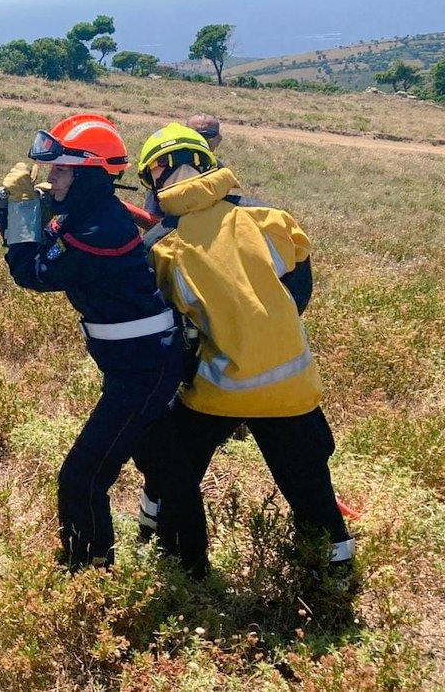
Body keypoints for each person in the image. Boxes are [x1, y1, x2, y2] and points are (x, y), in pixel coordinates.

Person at [135, 122, 356, 585]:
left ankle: (161, 548)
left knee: (171, 471)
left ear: (156, 174)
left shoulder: (160, 246)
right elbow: (298, 296)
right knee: (310, 486)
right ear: (206, 161)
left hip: (215, 393)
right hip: (291, 390)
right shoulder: (271, 219)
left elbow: (167, 325)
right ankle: (334, 577)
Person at [0, 113, 198, 573]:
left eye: (61, 170)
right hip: (140, 365)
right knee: (166, 468)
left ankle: (88, 574)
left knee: (82, 478)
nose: (51, 178)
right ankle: (190, 561)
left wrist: (23, 209)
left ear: (89, 175)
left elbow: (34, 271)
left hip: (142, 371)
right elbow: (41, 245)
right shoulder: (87, 214)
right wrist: (12, 211)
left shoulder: (99, 230)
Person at [142, 114, 222, 221]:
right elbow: (153, 216)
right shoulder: (164, 168)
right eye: (193, 133)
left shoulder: (219, 170)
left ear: (219, 140)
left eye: (209, 135)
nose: (201, 138)